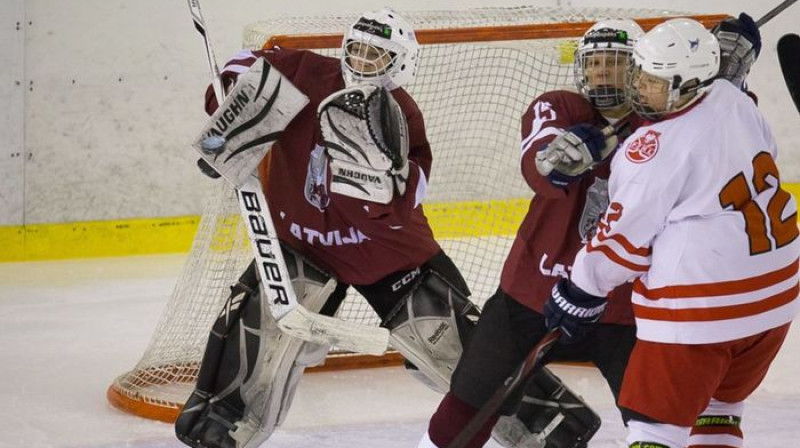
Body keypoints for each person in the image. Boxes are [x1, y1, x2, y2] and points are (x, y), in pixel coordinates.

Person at [175, 8, 479, 448]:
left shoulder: (400, 113)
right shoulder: (305, 72)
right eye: (357, 49)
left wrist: (386, 180)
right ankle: (220, 429)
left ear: (400, 64)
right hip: (302, 245)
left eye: (377, 55)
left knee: (469, 359)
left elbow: (409, 196)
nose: (363, 61)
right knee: (249, 339)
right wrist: (230, 113)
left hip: (385, 255)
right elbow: (243, 64)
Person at [544, 17, 798, 448]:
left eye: (654, 82)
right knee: (718, 410)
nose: (640, 87)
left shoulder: (652, 151)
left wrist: (578, 292)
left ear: (688, 86)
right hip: (774, 301)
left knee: (653, 430)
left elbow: (620, 247)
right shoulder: (734, 99)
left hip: (701, 310)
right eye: (640, 74)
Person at [418, 19, 645, 448]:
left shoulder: (662, 127)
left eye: (613, 62)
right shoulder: (562, 107)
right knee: (469, 401)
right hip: (533, 291)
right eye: (593, 63)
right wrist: (561, 156)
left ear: (640, 67)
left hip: (625, 302)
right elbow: (541, 166)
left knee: (657, 417)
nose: (600, 72)